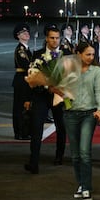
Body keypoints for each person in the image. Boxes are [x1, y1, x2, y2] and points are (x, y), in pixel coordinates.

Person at [63, 41, 100, 200]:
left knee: (84, 152)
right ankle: (81, 184)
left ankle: (87, 187)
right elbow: (60, 88)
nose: (91, 57)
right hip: (70, 114)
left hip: (89, 115)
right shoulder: (68, 69)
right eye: (87, 54)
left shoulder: (97, 71)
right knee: (75, 155)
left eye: (92, 54)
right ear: (78, 54)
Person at [24, 24, 67, 174]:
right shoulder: (37, 54)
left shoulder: (66, 54)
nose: (55, 41)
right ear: (47, 38)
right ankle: (33, 162)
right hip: (40, 96)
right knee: (36, 128)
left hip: (59, 96)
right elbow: (31, 77)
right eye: (52, 38)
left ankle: (59, 156)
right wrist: (28, 98)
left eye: (57, 38)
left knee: (61, 127)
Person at [12, 22, 32, 140]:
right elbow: (26, 65)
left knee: (26, 107)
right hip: (21, 80)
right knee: (20, 108)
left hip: (26, 80)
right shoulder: (20, 50)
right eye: (23, 33)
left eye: (27, 32)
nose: (26, 34)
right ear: (18, 36)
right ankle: (19, 132)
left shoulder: (26, 48)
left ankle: (25, 131)